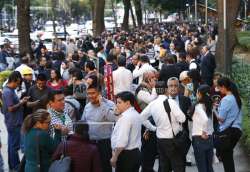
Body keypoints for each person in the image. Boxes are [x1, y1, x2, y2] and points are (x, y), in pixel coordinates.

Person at [140, 82, 186, 172]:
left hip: (160, 139)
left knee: (164, 165)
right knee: (178, 166)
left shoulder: (153, 104)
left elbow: (141, 117)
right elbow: (182, 119)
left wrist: (153, 128)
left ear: (156, 91)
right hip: (173, 139)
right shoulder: (171, 102)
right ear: (166, 90)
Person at [81, 83, 116, 172]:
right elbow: (83, 123)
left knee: (105, 168)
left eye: (93, 93)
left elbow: (113, 118)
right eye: (88, 93)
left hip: (105, 143)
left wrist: (102, 104)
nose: (90, 96)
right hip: (90, 142)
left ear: (100, 93)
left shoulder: (110, 104)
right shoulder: (87, 106)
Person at [2, 71, 29, 171]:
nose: (18, 85)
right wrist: (21, 102)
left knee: (11, 146)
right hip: (13, 122)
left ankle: (13, 165)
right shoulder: (8, 91)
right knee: (14, 146)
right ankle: (15, 166)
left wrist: (21, 101)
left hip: (13, 121)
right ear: (14, 80)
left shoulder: (10, 90)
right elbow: (10, 108)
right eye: (17, 83)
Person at [216, 77, 243, 172]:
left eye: (219, 88)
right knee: (228, 158)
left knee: (227, 160)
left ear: (223, 87)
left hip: (227, 132)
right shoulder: (237, 98)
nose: (218, 90)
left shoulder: (226, 100)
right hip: (237, 131)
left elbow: (221, 119)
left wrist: (214, 111)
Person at [110, 91, 142, 172]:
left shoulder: (126, 117)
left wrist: (115, 157)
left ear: (128, 103)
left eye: (119, 102)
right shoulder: (136, 114)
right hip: (135, 154)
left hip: (126, 156)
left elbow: (122, 141)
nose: (117, 105)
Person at [192, 85, 214, 172]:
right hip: (209, 137)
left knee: (202, 167)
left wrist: (203, 132)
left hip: (199, 137)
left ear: (200, 94)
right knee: (209, 167)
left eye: (197, 93)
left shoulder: (198, 107)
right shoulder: (209, 105)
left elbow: (205, 119)